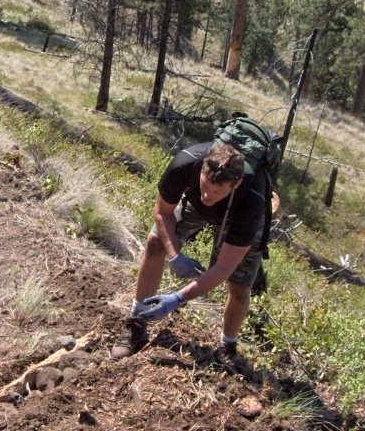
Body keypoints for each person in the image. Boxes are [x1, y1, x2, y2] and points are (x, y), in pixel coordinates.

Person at [112, 143, 266, 361]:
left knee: (239, 285)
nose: (208, 195)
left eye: (217, 190)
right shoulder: (185, 163)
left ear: (236, 183)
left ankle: (228, 347)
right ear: (202, 168)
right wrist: (175, 255)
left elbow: (223, 267)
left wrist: (177, 299)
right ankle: (137, 323)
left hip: (238, 215)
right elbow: (162, 211)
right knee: (156, 242)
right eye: (205, 185)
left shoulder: (252, 199)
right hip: (193, 204)